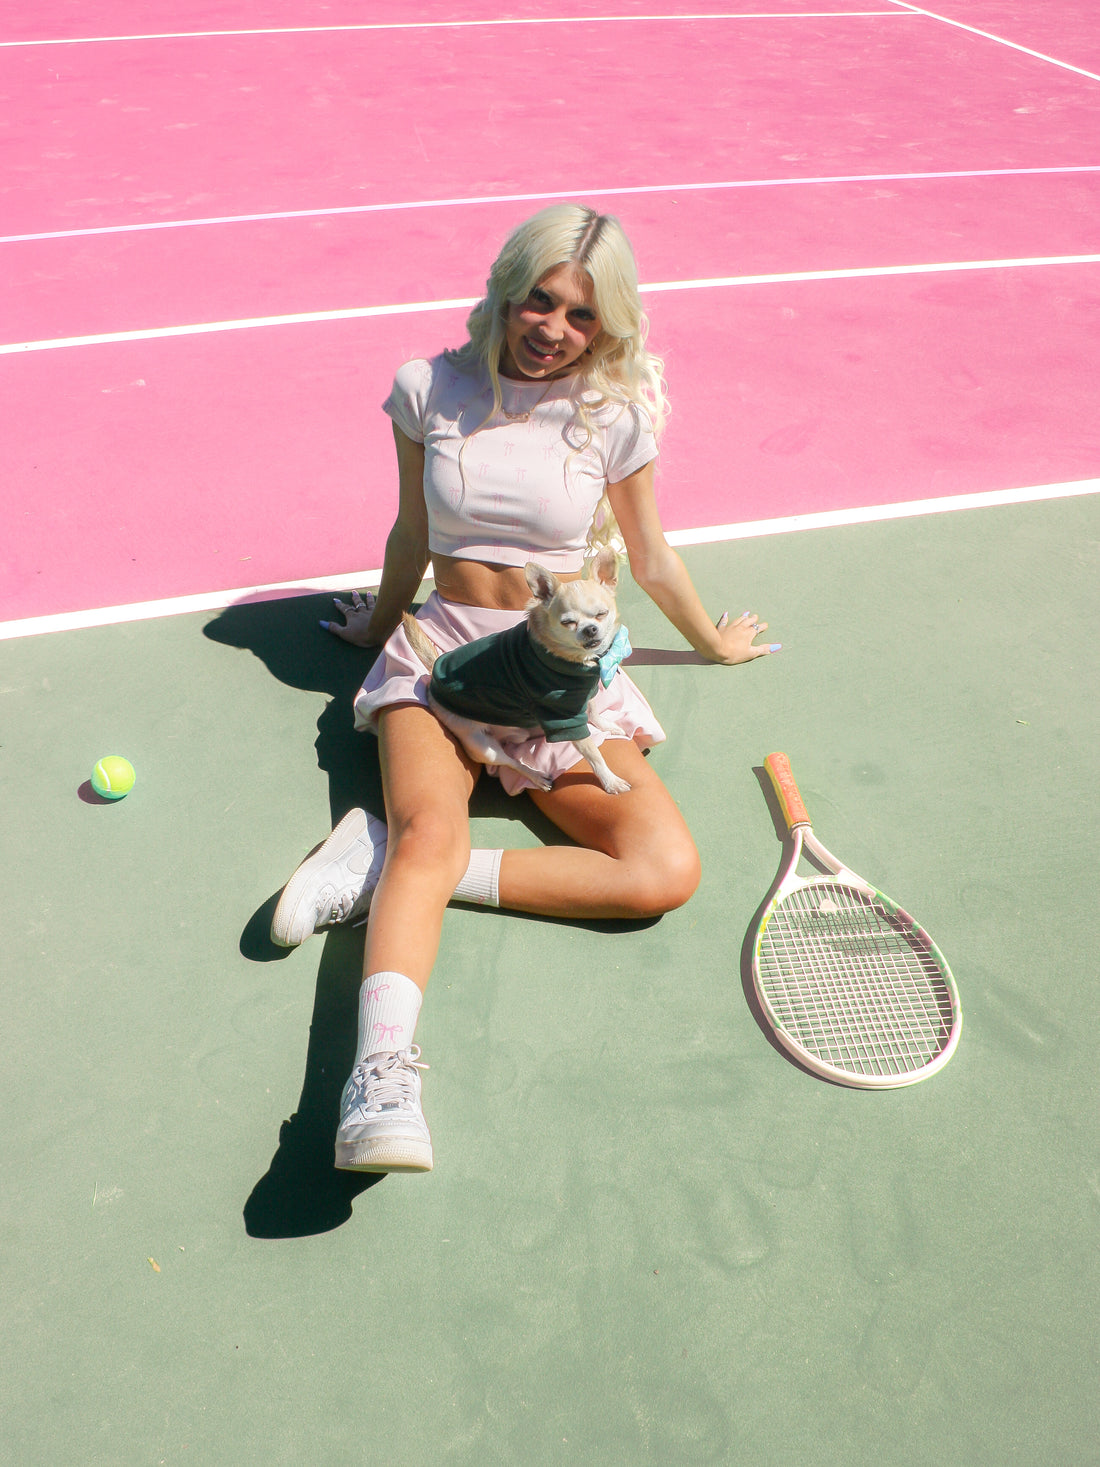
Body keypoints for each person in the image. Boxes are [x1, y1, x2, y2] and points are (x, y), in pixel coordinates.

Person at [271, 204, 778, 1174]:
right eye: (537, 302)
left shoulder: (615, 412)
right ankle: (378, 1075)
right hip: (441, 663)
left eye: (580, 317)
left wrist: (712, 640)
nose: (552, 329)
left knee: (661, 871)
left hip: (551, 677)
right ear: (505, 291)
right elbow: (410, 537)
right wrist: (375, 629)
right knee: (434, 828)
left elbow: (650, 554)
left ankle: (384, 875)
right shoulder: (428, 389)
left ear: (609, 326)